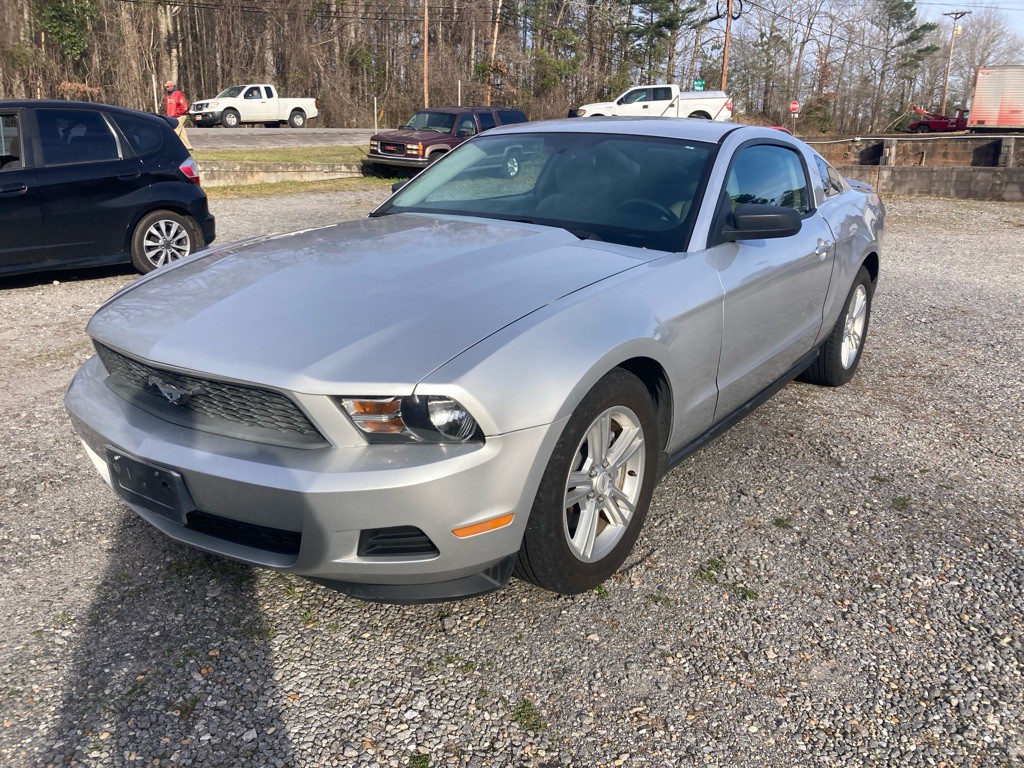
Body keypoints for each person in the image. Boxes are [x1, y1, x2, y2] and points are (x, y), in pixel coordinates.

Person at [164, 80, 193, 151]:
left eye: (168, 87)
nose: (166, 88)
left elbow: (184, 107)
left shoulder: (178, 94)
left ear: (172, 86)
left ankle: (170, 148)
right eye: (166, 87)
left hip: (179, 117)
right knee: (181, 133)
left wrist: (176, 114)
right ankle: (188, 146)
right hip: (171, 117)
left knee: (173, 132)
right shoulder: (168, 96)